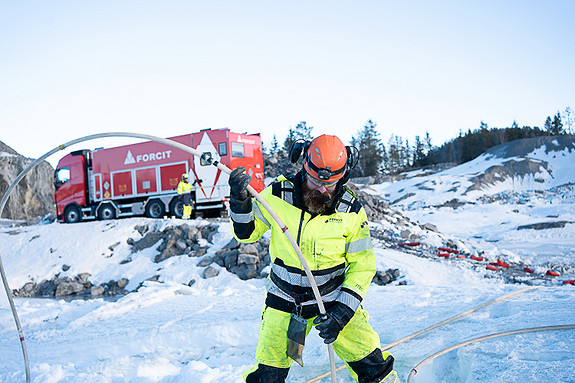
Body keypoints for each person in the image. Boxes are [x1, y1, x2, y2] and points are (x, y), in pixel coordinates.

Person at [228, 134, 399, 383]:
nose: (321, 189)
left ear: (343, 177)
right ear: (304, 167)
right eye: (315, 180)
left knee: (373, 368)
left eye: (329, 184)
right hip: (285, 302)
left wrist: (342, 313)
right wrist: (239, 201)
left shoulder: (351, 211)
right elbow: (246, 233)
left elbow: (362, 266)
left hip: (333, 301)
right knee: (269, 375)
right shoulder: (278, 195)